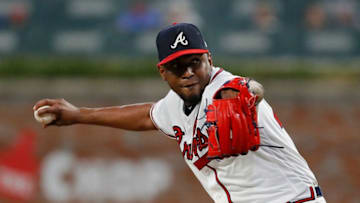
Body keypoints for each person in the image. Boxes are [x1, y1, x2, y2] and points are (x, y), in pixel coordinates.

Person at [33, 23, 326, 203]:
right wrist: (78, 114)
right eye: (177, 66)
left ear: (209, 59)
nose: (188, 73)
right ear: (163, 72)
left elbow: (251, 88)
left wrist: (243, 92)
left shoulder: (224, 87)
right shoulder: (175, 105)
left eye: (195, 62)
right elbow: (148, 115)